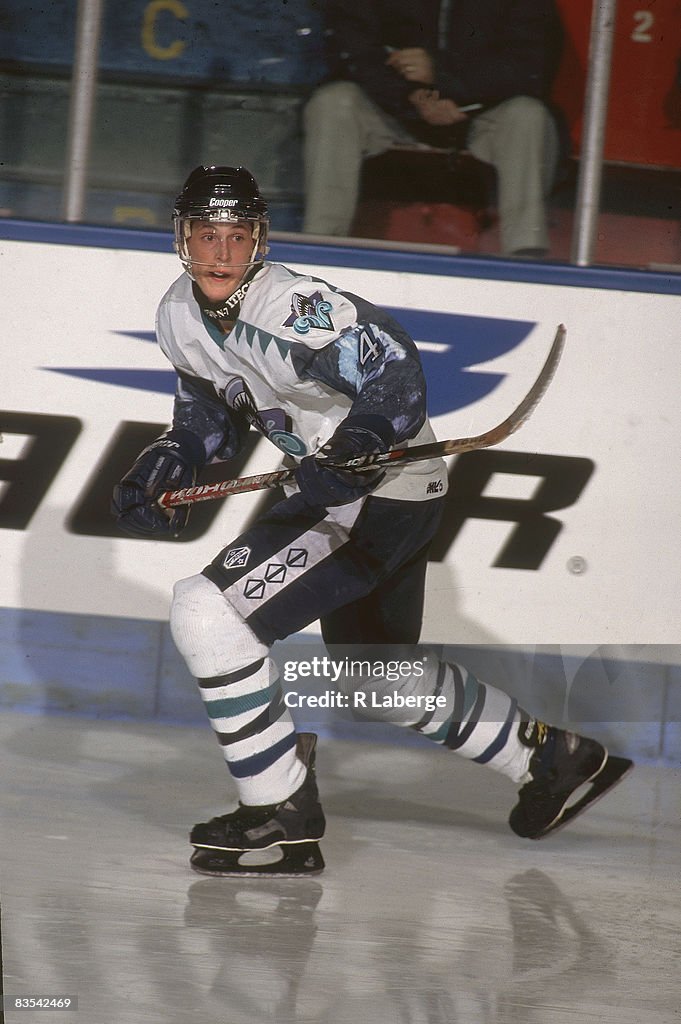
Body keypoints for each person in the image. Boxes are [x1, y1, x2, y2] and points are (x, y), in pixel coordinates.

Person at [112, 165, 632, 877]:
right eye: (208, 236)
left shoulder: (293, 306)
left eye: (237, 236)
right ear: (183, 239)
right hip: (373, 494)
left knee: (207, 613)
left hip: (375, 492)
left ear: (259, 240)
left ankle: (279, 814)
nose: (223, 253)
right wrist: (172, 458)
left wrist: (353, 446)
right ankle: (550, 758)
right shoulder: (178, 314)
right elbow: (212, 414)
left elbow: (395, 373)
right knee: (372, 682)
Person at [303, 0, 564, 257]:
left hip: (483, 111)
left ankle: (525, 253)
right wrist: (412, 96)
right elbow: (352, 49)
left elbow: (532, 66)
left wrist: (442, 73)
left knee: (529, 115)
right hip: (394, 106)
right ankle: (322, 245)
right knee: (334, 101)